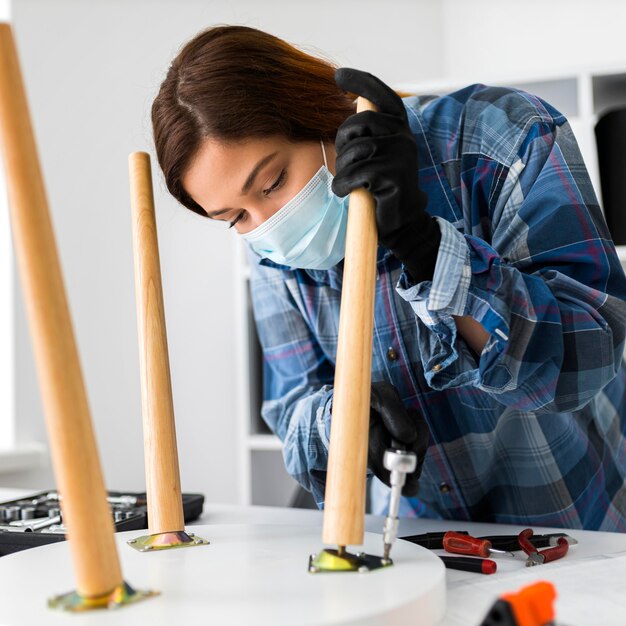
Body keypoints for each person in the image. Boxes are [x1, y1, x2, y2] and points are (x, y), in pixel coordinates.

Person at [151, 25, 626, 530]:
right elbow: (291, 407)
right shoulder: (272, 247)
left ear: (321, 111)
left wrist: (427, 249)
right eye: (235, 218)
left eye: (273, 182)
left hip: (579, 523)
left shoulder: (501, 134)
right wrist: (341, 422)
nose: (269, 224)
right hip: (417, 538)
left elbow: (589, 359)